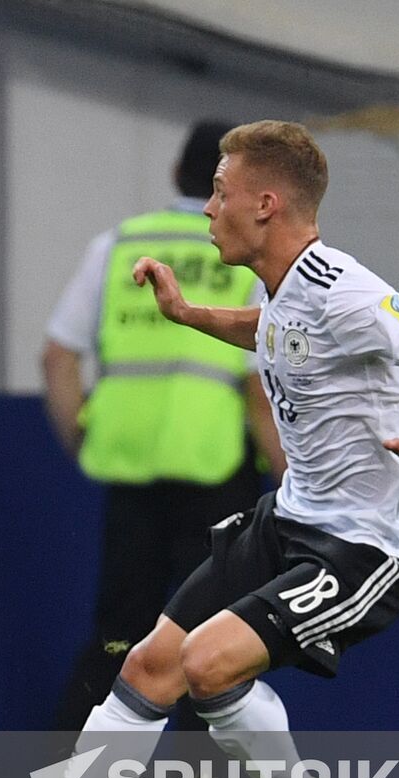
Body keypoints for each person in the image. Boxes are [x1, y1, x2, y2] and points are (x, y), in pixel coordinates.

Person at [0, 119, 399, 778]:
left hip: (364, 546)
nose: (206, 207)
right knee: (148, 664)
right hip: (289, 517)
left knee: (208, 663)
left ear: (265, 202)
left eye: (220, 193)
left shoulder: (344, 286)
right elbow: (273, 330)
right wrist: (189, 315)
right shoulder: (287, 288)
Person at [43, 119, 285, 732]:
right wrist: (288, 475)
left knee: (118, 638)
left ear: (178, 172)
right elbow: (256, 385)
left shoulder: (121, 244)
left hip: (128, 470)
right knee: (216, 643)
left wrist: (82, 438)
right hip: (216, 473)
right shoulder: (244, 260)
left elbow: (58, 355)